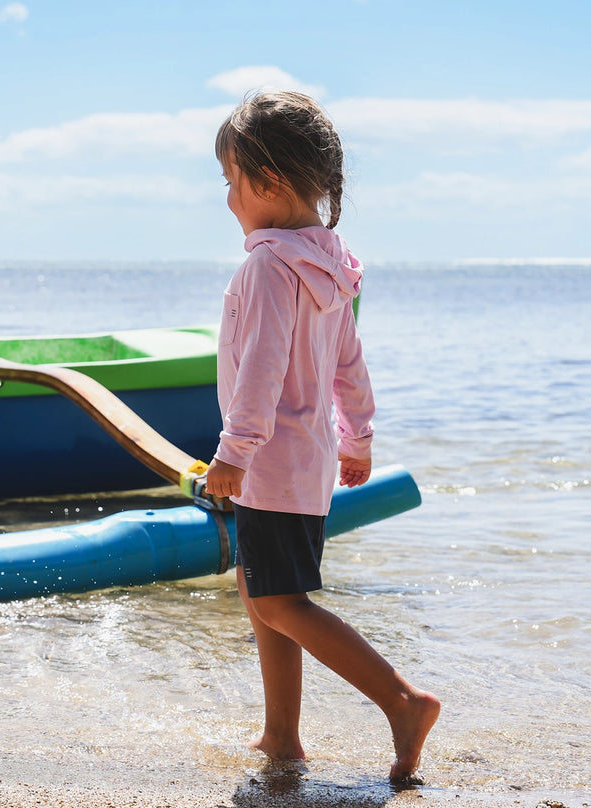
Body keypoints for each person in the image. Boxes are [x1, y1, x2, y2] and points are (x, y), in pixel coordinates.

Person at [204, 91, 440, 783]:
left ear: (268, 183)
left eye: (230, 181)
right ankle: (281, 736)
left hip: (270, 463)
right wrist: (358, 435)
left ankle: (402, 701)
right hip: (306, 461)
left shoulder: (270, 266)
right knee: (263, 596)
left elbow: (261, 371)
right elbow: (349, 360)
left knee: (280, 600)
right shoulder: (330, 262)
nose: (227, 199)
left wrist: (232, 454)